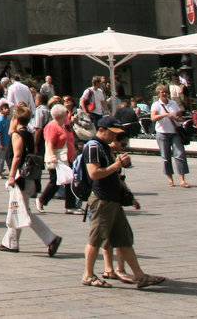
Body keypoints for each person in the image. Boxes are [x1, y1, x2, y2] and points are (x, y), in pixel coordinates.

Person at [81, 123, 163, 290]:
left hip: (113, 200)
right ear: (102, 130)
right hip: (101, 200)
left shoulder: (104, 146)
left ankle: (140, 276)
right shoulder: (93, 146)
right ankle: (88, 275)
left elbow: (113, 175)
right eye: (112, 133)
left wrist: (128, 195)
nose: (114, 137)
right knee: (95, 239)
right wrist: (116, 165)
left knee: (123, 239)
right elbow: (94, 173)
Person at [0, 103, 59, 256]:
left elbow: (17, 156)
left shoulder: (17, 134)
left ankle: (51, 239)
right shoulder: (29, 133)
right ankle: (10, 242)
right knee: (17, 209)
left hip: (20, 177)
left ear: (16, 119)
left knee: (22, 211)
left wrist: (11, 176)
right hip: (30, 176)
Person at [39, 102, 81, 210]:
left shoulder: (65, 124)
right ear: (59, 116)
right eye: (65, 115)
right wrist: (52, 157)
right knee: (56, 182)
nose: (67, 116)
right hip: (58, 158)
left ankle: (70, 206)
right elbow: (50, 143)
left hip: (68, 157)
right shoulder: (52, 126)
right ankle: (42, 200)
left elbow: (70, 137)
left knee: (68, 181)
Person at [148, 83, 191, 188]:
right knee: (166, 157)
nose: (165, 94)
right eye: (162, 92)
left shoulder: (173, 103)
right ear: (158, 93)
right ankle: (170, 179)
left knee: (180, 154)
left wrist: (177, 118)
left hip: (175, 132)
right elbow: (153, 118)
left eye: (166, 92)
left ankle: (182, 179)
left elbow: (179, 116)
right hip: (162, 133)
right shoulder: (156, 104)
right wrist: (166, 115)